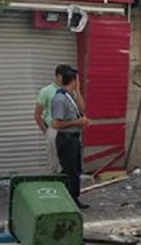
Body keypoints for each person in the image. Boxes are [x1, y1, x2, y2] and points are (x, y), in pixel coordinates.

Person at [51, 66, 90, 209]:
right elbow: (56, 123)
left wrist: (78, 91)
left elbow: (82, 108)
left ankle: (74, 197)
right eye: (77, 81)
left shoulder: (70, 96)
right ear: (73, 81)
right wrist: (76, 122)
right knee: (69, 171)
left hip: (74, 137)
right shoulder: (60, 98)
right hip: (66, 138)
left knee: (76, 170)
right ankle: (67, 199)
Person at [34, 64, 85, 174]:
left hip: (70, 132)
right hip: (55, 129)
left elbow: (82, 108)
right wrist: (46, 131)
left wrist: (78, 91)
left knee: (70, 164)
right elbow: (38, 114)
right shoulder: (46, 91)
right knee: (54, 163)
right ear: (59, 76)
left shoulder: (71, 91)